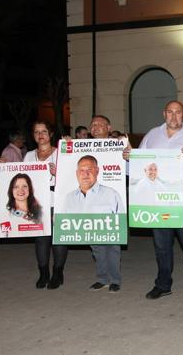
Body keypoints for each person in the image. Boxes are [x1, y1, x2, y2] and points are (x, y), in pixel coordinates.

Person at [134, 100, 183, 302]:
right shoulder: (152, 135)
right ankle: (163, 284)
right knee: (161, 245)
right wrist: (129, 157)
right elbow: (140, 161)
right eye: (170, 112)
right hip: (158, 197)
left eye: (178, 112)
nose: (174, 116)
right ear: (164, 114)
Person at [70, 115, 124, 293]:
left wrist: (127, 147)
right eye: (93, 124)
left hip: (109, 201)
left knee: (113, 247)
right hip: (89, 205)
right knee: (97, 248)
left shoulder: (118, 145)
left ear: (109, 128)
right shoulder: (81, 147)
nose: (96, 126)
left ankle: (115, 279)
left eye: (101, 124)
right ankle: (102, 278)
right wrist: (66, 145)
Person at [23, 120, 65, 289]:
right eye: (36, 132)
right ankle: (43, 273)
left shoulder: (61, 153)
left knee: (59, 239)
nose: (40, 135)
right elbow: (21, 177)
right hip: (37, 204)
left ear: (51, 134)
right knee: (41, 240)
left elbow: (71, 179)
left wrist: (59, 173)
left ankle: (58, 273)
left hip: (57, 202)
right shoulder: (28, 156)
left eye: (44, 131)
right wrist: (5, 168)